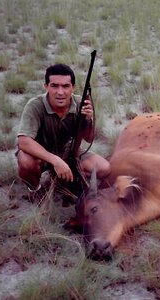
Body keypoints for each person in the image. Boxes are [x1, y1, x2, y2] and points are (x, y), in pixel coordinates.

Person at [16, 63, 111, 202]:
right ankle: (35, 189)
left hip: (68, 150)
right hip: (40, 153)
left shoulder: (81, 103)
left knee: (104, 168)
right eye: (54, 86)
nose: (60, 92)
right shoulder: (35, 105)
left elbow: (89, 138)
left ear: (73, 87)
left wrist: (89, 119)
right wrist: (56, 161)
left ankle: (63, 177)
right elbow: (24, 142)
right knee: (26, 162)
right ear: (46, 86)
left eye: (66, 86)